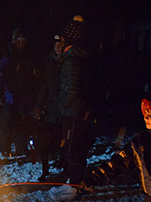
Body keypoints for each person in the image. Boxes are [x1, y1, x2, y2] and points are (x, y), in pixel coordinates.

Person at [56, 15, 95, 184]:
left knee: (73, 147)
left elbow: (72, 89)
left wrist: (61, 103)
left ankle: (73, 184)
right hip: (78, 109)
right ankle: (72, 179)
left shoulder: (72, 60)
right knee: (74, 146)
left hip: (74, 110)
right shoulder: (75, 57)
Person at [0, 28, 39, 157]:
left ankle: (21, 148)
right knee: (7, 124)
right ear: (14, 41)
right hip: (10, 95)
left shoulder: (27, 56)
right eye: (19, 42)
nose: (21, 44)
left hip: (23, 95)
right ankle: (4, 148)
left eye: (24, 42)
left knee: (22, 123)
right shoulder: (8, 56)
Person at [34, 34, 65, 181]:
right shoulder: (50, 64)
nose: (58, 47)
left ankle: (64, 165)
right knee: (44, 140)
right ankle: (45, 170)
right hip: (51, 108)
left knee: (63, 140)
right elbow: (45, 86)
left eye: (61, 44)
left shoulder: (69, 62)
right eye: (56, 44)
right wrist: (39, 105)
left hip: (65, 108)